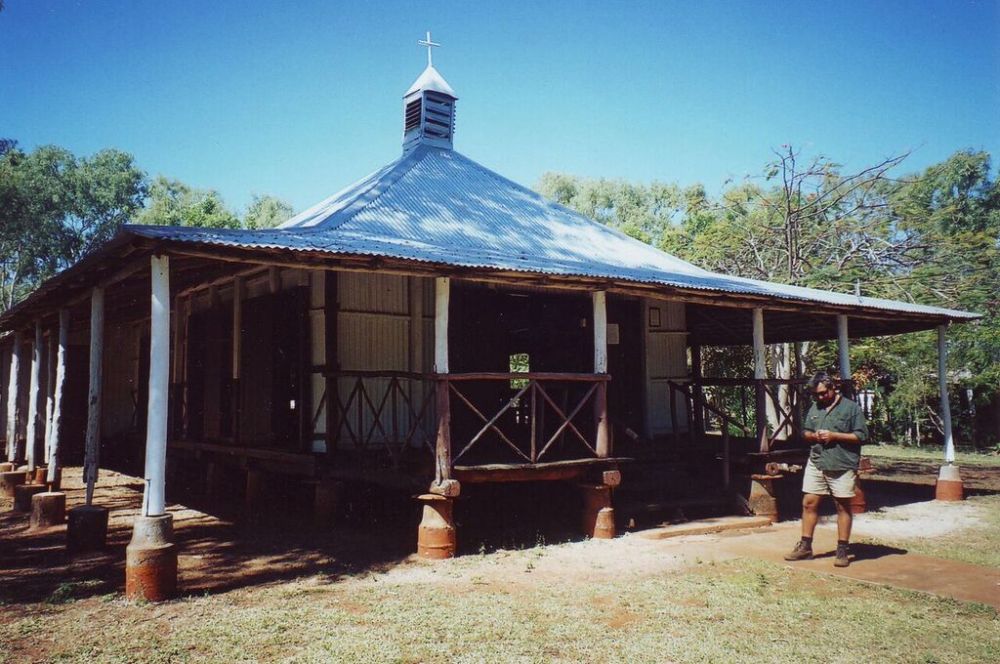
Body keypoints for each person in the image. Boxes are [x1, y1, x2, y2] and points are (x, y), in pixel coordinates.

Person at [785, 371, 868, 567]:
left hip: (841, 463)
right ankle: (805, 546)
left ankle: (842, 549)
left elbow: (861, 436)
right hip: (817, 461)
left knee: (842, 506)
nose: (820, 397)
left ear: (833, 388)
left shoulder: (851, 408)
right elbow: (805, 431)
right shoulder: (815, 407)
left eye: (823, 393)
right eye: (816, 395)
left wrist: (834, 436)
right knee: (809, 503)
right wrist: (813, 436)